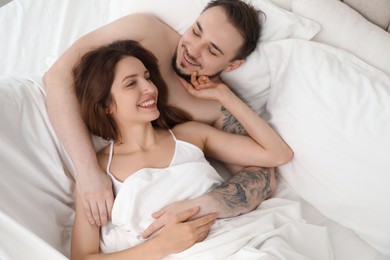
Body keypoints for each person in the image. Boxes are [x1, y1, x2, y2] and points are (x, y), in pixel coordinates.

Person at [43, 0, 285, 229]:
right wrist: (88, 173)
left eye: (212, 51)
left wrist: (200, 207)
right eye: (196, 31)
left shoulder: (213, 108)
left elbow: (262, 173)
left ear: (231, 66)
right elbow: (57, 76)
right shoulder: (145, 30)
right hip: (69, 133)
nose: (192, 50)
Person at [71, 39, 292, 259]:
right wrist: (160, 246)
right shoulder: (97, 172)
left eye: (147, 78)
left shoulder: (190, 135)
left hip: (242, 243)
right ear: (105, 105)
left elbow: (278, 154)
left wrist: (224, 95)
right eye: (131, 83)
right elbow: (81, 257)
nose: (149, 88)